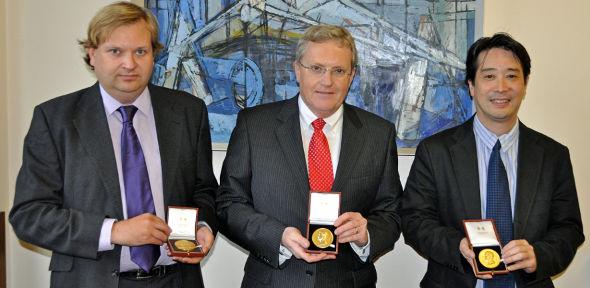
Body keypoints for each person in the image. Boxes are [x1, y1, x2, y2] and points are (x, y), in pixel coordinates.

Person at [9, 2, 218, 287]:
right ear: (92, 54)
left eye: (140, 51)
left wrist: (204, 226)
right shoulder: (55, 119)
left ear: (154, 55)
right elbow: (29, 216)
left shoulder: (188, 112)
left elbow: (203, 190)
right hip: (89, 280)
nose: (129, 63)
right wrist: (114, 231)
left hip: (176, 280)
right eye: (115, 51)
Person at [216, 24, 403, 287]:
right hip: (273, 280)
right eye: (316, 68)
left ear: (352, 76)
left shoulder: (378, 134)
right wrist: (277, 236)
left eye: (338, 71)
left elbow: (391, 212)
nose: (327, 81)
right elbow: (228, 204)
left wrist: (367, 234)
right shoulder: (254, 126)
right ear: (297, 70)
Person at [401, 33, 584, 287]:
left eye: (511, 76)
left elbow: (569, 228)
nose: (501, 87)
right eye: (489, 76)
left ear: (525, 84)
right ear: (471, 86)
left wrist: (538, 256)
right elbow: (413, 220)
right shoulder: (436, 151)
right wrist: (458, 247)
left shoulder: (553, 155)